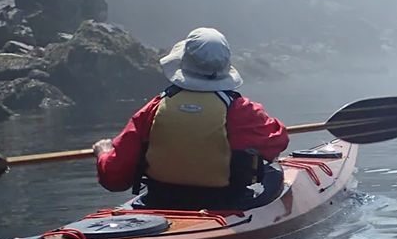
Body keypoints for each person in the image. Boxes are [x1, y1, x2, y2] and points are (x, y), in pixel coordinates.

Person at [92, 27, 289, 210]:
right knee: (274, 171)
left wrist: (104, 153)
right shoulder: (241, 111)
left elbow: (114, 179)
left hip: (160, 199)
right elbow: (278, 141)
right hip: (224, 201)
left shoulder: (154, 108)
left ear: (182, 62)